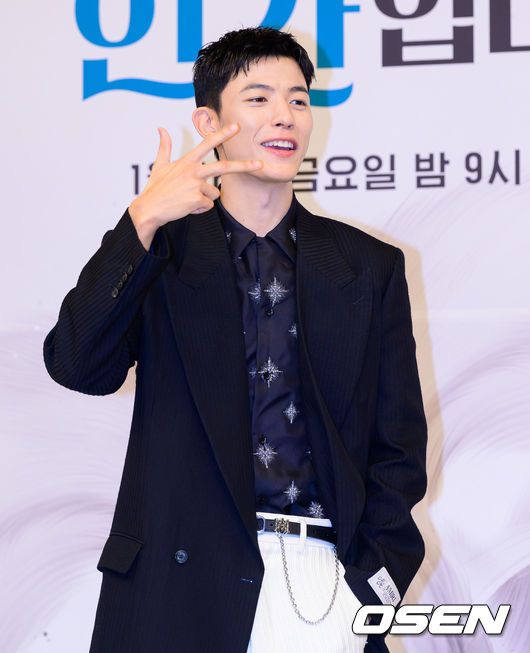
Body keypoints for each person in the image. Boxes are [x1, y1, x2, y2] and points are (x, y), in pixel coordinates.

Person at [43, 26, 427, 653]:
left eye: (298, 99)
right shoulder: (162, 251)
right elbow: (78, 364)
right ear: (208, 122)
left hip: (322, 587)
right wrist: (142, 219)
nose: (285, 115)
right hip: (177, 587)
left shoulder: (367, 267)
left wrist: (368, 590)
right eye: (259, 98)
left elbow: (399, 450)